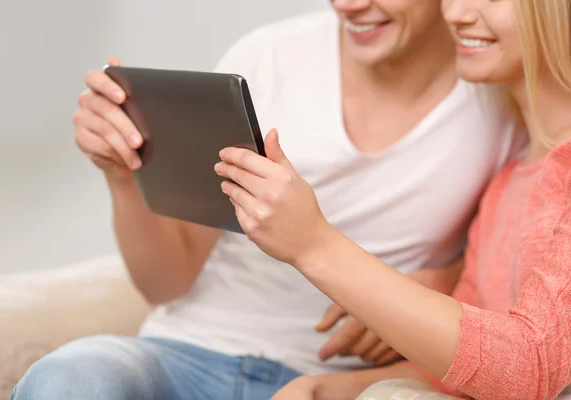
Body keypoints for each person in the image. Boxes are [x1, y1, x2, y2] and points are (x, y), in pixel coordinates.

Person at [11, 1, 524, 399]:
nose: (348, 6)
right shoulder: (269, 57)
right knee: (68, 379)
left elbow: (515, 273)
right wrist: (122, 178)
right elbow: (166, 282)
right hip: (188, 350)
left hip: (335, 381)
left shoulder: (499, 96)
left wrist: (446, 280)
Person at [214, 0, 571, 399]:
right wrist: (320, 390)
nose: (455, 14)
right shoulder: (507, 183)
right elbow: (459, 370)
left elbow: (534, 369)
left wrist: (312, 244)